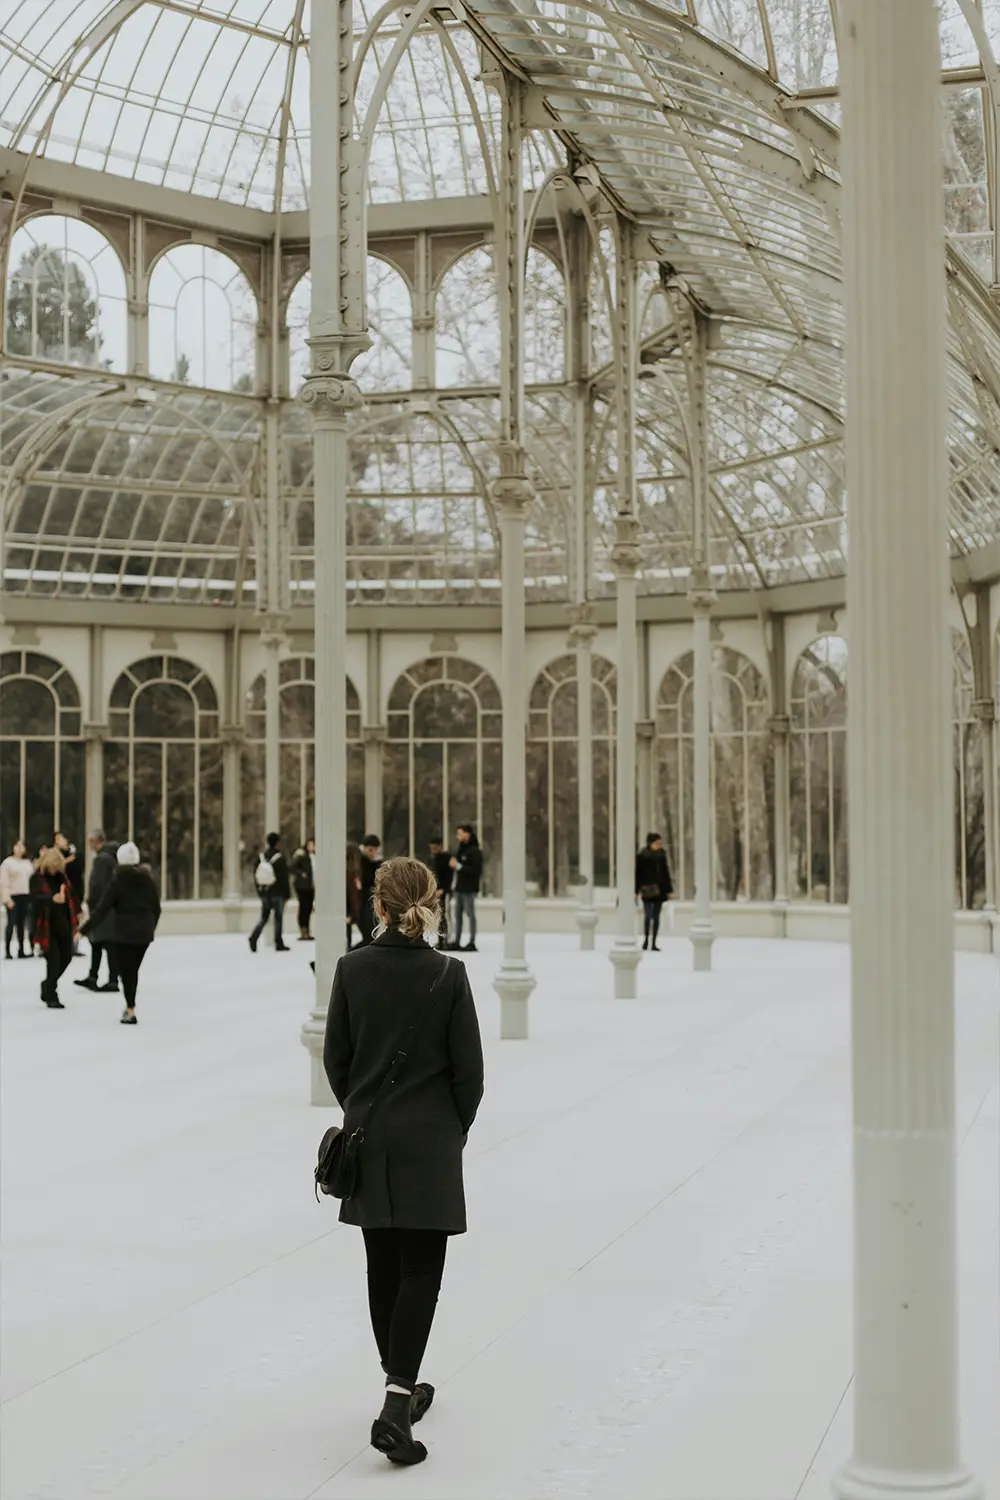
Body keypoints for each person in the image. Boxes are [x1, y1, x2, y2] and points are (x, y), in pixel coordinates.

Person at [323, 856, 484, 1468]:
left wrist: (363, 1112)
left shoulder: (350, 969)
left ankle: (400, 1385)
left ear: (379, 907)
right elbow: (469, 1073)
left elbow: (337, 1060)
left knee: (381, 1266)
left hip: (369, 1140)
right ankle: (396, 1403)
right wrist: (448, 1133)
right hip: (431, 1143)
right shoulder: (449, 974)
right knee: (422, 1270)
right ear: (432, 905)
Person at [80, 842, 161, 1024]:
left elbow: (101, 909)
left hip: (125, 931)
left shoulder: (117, 881)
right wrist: (150, 927)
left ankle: (130, 1009)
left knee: (127, 971)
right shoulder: (148, 880)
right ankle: (130, 1006)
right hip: (144, 932)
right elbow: (156, 908)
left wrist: (84, 929)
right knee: (133, 969)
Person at [29, 848, 79, 1008]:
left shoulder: (62, 878)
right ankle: (51, 994)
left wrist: (76, 912)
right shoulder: (37, 878)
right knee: (53, 961)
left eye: (56, 867)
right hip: (46, 926)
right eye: (51, 867)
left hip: (64, 923)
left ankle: (48, 984)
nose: (53, 870)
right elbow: (35, 899)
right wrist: (52, 899)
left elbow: (71, 897)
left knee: (67, 957)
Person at [75, 831, 120, 992]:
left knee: (106, 943)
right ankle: (93, 976)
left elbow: (97, 885)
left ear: (95, 842)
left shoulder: (102, 860)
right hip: (111, 906)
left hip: (102, 908)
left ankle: (112, 979)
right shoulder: (114, 857)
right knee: (97, 942)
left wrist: (91, 902)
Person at [248, 832, 290, 952]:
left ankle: (254, 936)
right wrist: (287, 894)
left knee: (264, 917)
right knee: (278, 918)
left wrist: (260, 891)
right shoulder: (279, 858)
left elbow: (255, 875)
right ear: (277, 843)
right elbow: (283, 878)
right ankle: (278, 942)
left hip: (265, 892)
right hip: (278, 893)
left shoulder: (262, 857)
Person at [635, 832, 674, 951]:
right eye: (656, 843)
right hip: (647, 889)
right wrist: (636, 890)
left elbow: (666, 873)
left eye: (659, 843)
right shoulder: (643, 855)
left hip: (660, 889)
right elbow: (638, 874)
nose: (658, 845)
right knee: (648, 915)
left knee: (656, 916)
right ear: (650, 843)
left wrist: (669, 890)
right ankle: (646, 940)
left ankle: (653, 942)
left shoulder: (662, 855)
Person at [449, 824, 482, 952]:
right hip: (460, 887)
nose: (458, 836)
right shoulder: (462, 849)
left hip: (469, 888)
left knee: (470, 914)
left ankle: (472, 941)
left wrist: (458, 866)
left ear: (467, 834)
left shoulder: (474, 851)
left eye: (460, 833)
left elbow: (475, 870)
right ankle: (457, 940)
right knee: (458, 915)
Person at [1, 839, 34, 959]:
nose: (20, 849)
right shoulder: (7, 863)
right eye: (17, 846)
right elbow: (3, 882)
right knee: (11, 923)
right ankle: (7, 950)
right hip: (13, 896)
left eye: (22, 846)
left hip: (25, 896)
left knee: (21, 924)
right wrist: (7, 898)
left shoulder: (27, 863)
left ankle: (21, 950)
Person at [358, 835, 382, 946]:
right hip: (360, 904)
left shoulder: (377, 864)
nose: (372, 853)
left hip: (373, 903)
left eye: (375, 850)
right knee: (368, 937)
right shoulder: (358, 862)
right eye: (370, 850)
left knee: (371, 937)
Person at [428, 838, 453, 948]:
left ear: (440, 846)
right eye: (431, 848)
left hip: (445, 891)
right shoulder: (433, 858)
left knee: (446, 915)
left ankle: (447, 939)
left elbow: (450, 876)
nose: (433, 850)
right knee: (439, 916)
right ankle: (441, 939)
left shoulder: (447, 858)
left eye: (435, 848)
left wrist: (445, 889)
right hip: (436, 891)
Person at [291, 838, 316, 941]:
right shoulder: (301, 856)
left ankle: (307, 930)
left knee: (309, 908)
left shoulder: (314, 857)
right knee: (303, 908)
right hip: (303, 886)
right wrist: (301, 873)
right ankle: (303, 930)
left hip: (311, 886)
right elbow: (293, 868)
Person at [346, 843, 363, 950]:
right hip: (347, 911)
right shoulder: (349, 874)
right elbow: (352, 895)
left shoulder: (354, 873)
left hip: (350, 911)